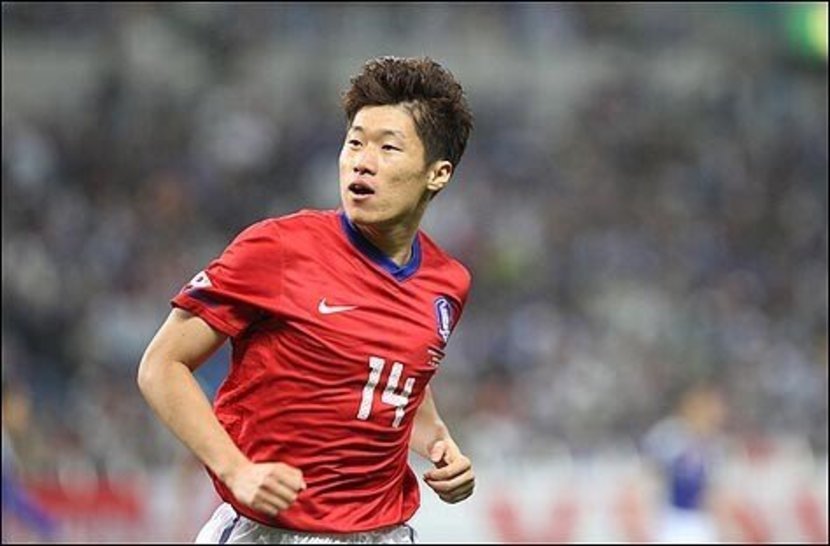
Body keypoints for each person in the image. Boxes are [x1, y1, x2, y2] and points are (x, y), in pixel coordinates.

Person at [137, 56, 476, 544]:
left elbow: (401, 373)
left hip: (384, 534)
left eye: (388, 147)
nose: (362, 160)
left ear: (437, 173)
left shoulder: (447, 283)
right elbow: (161, 365)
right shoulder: (278, 248)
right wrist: (235, 469)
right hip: (270, 532)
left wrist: (440, 444)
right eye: (355, 142)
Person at [641, 382, 729, 543]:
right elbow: (650, 473)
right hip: (672, 516)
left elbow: (713, 488)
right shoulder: (669, 434)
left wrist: (719, 521)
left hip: (701, 518)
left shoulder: (716, 443)